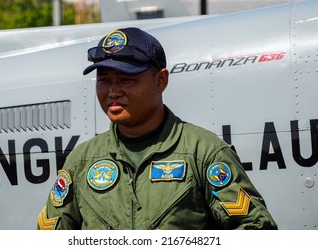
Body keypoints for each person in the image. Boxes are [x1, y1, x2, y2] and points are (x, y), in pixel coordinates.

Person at [37, 27, 278, 230]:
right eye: (104, 80)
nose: (113, 91)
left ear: (160, 81)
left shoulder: (203, 153)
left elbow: (256, 229)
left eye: (126, 79)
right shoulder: (82, 161)